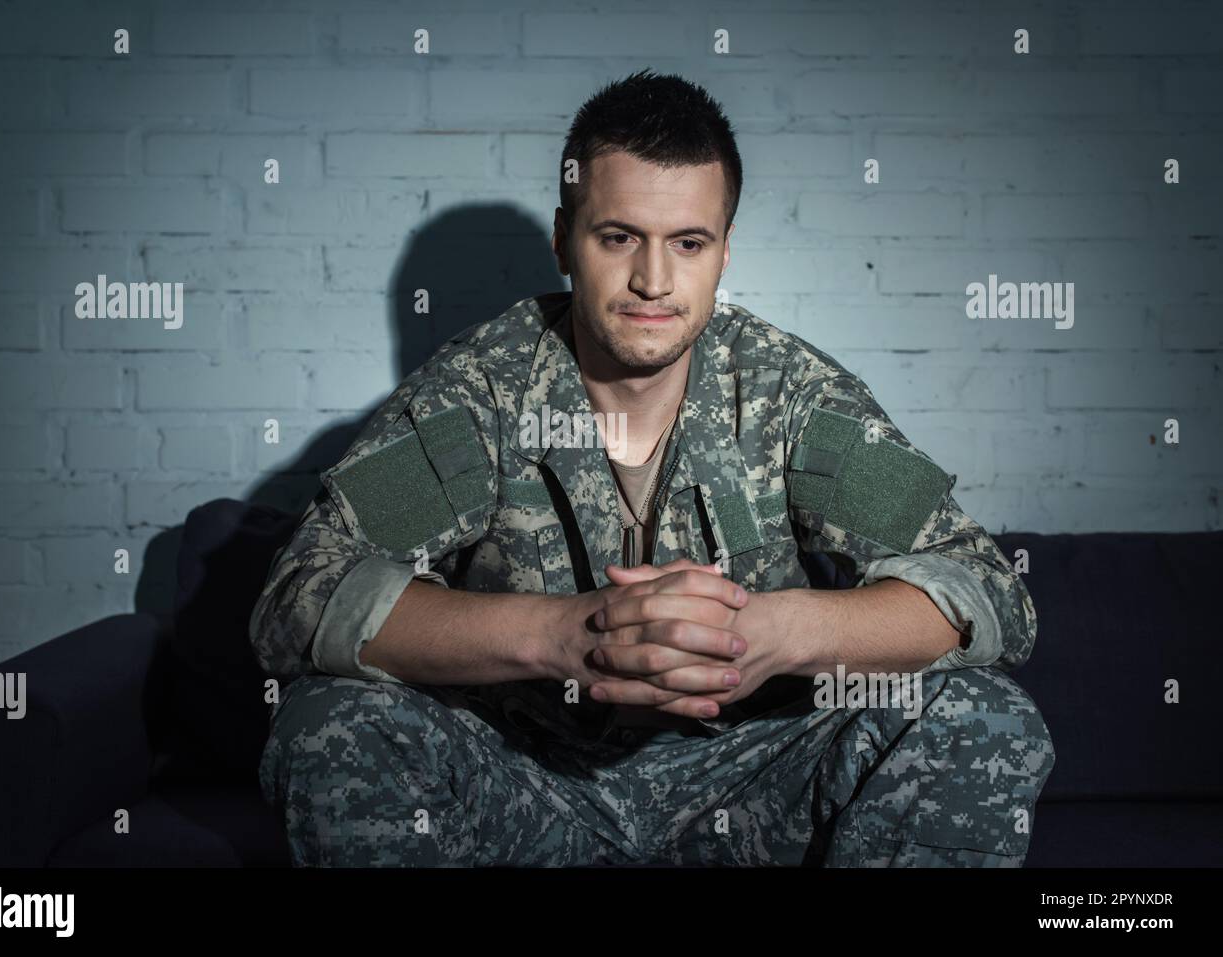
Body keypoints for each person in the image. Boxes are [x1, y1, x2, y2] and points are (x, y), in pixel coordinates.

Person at [249, 68, 1055, 867]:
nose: (653, 281)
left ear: (724, 253)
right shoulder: (481, 391)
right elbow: (297, 596)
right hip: (527, 781)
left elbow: (985, 586)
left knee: (981, 713)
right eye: (618, 236)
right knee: (327, 722)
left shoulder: (787, 393)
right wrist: (560, 636)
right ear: (564, 239)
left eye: (688, 243)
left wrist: (779, 633)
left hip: (751, 778)